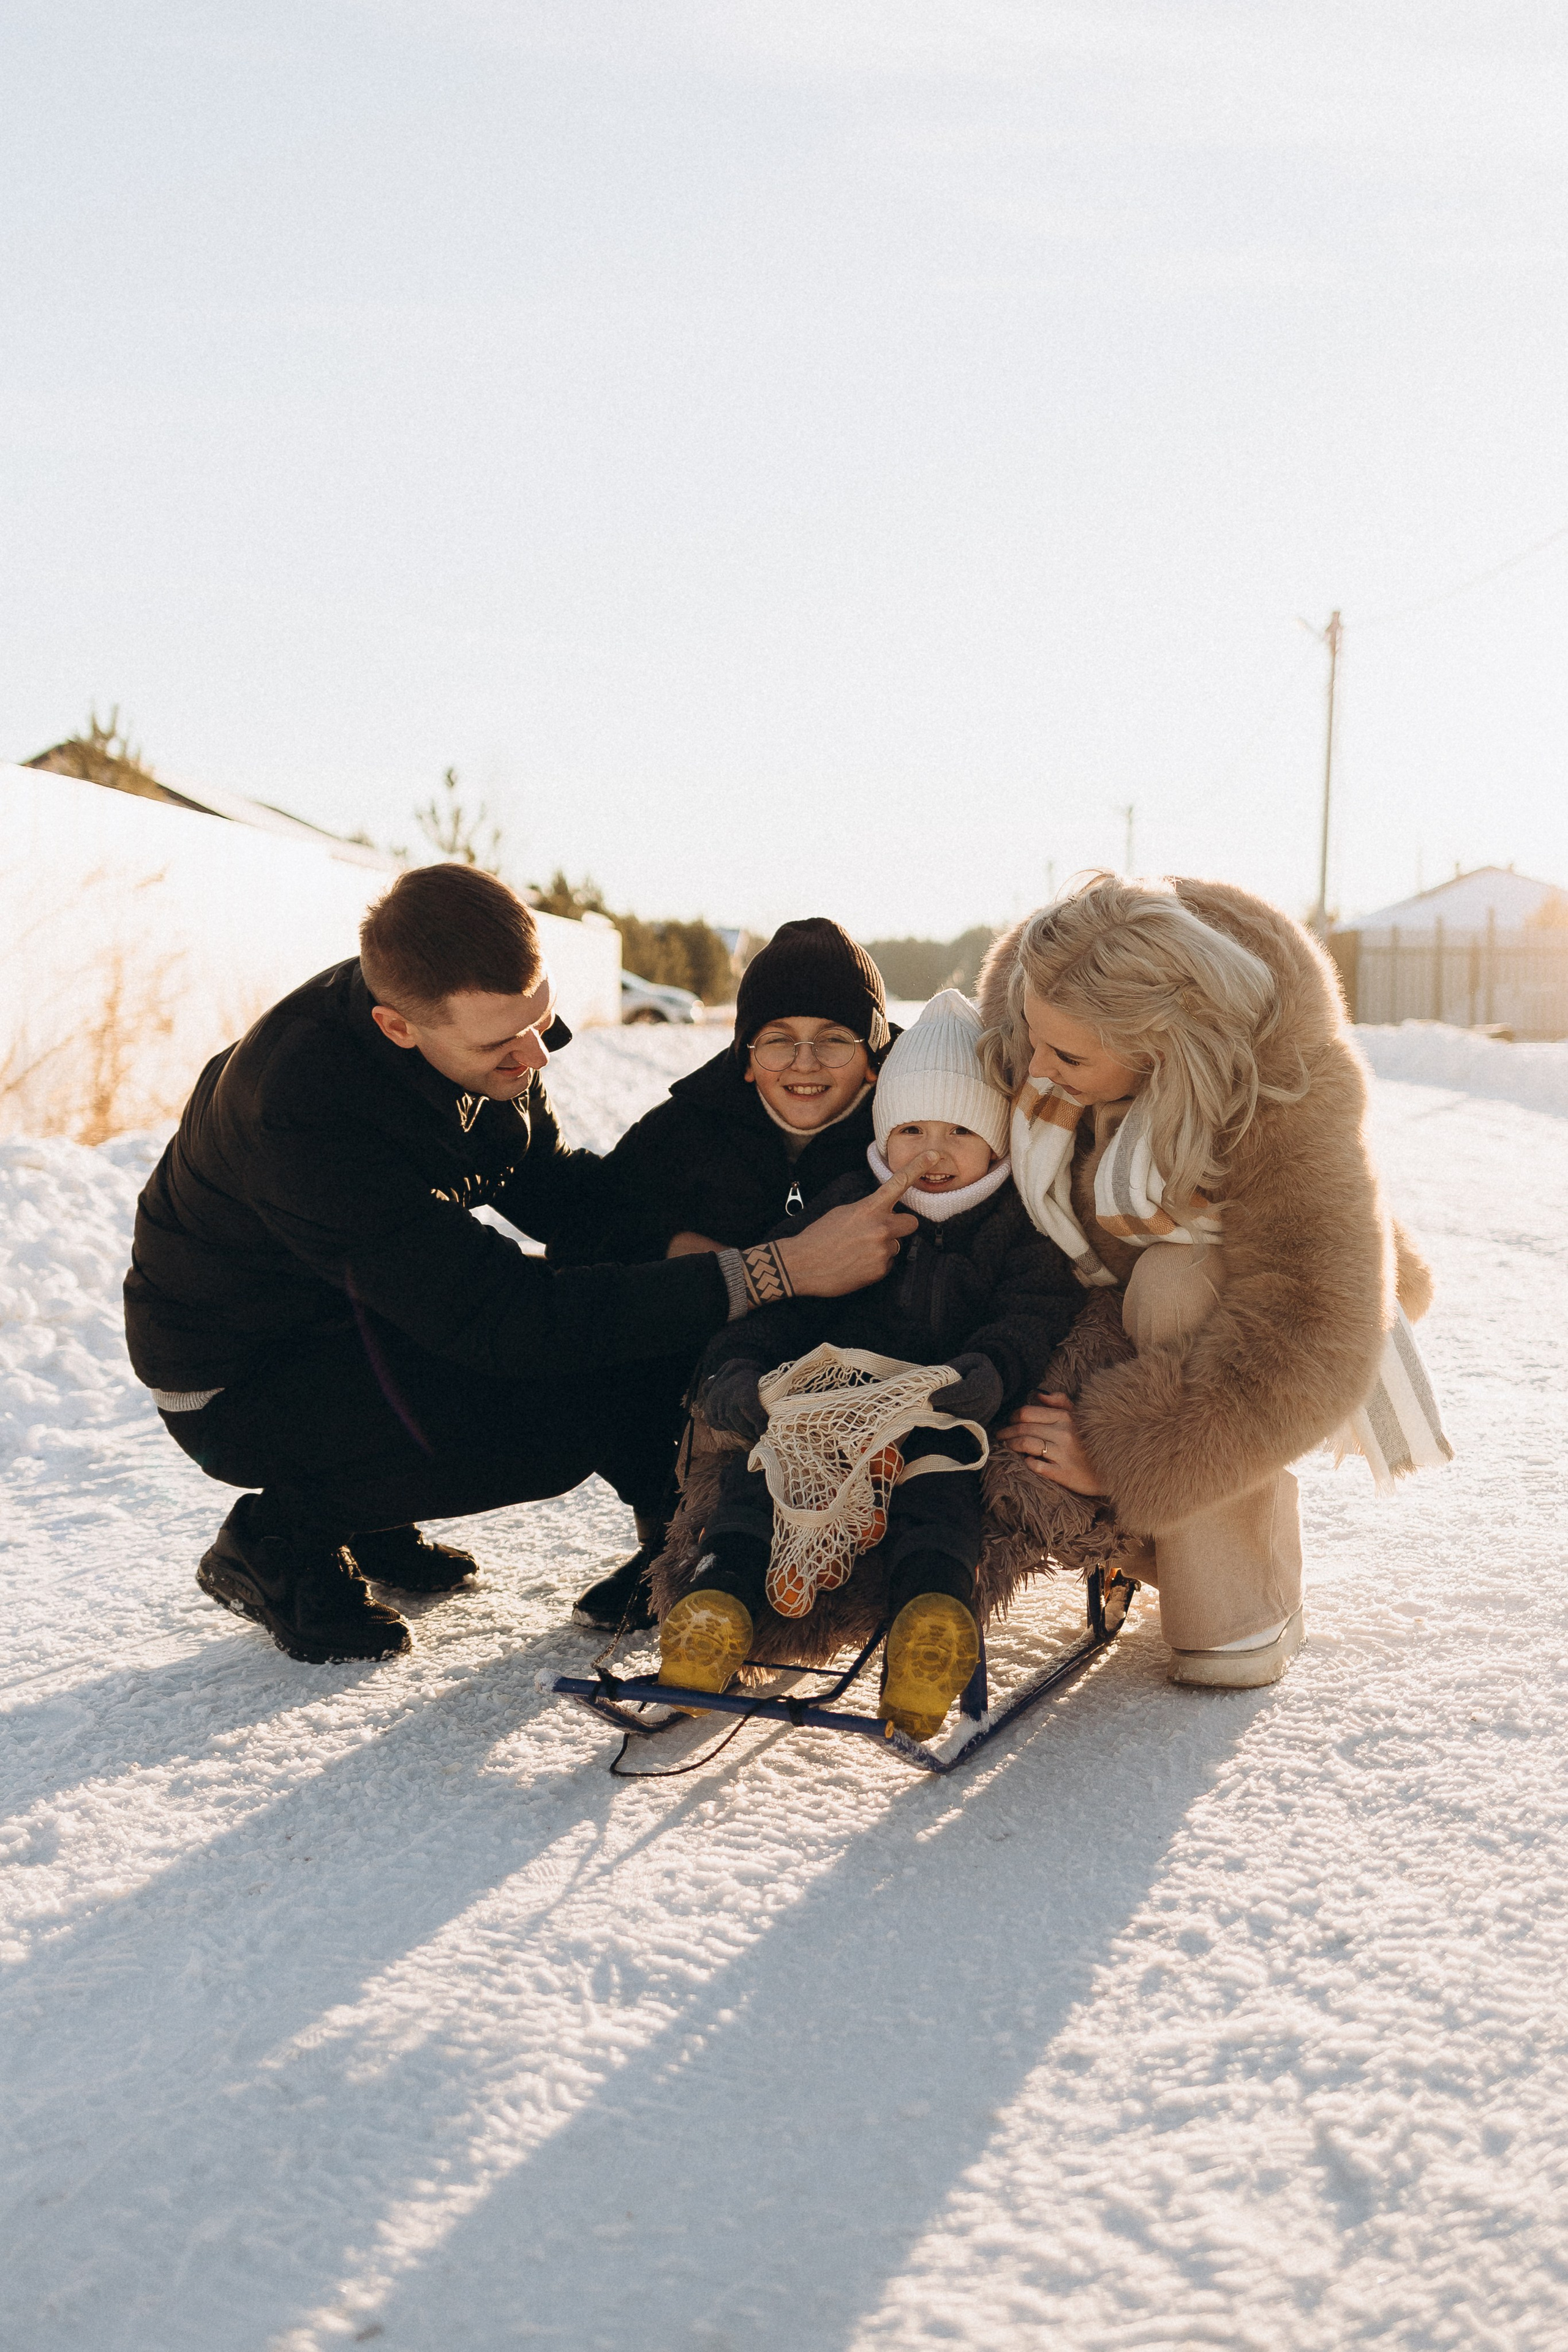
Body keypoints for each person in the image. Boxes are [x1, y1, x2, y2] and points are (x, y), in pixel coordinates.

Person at [124, 864, 921, 1665]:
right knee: (549, 1425)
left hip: (356, 1309)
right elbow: (507, 1323)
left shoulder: (479, 1031)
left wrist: (679, 1237)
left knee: (642, 1298)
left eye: (541, 1020)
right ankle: (280, 1537)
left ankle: (674, 1540)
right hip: (241, 1379)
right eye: (504, 1044)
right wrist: (775, 1270)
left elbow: (557, 1191)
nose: (535, 1057)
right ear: (401, 1030)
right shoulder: (306, 1113)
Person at [979, 873, 1439, 1689]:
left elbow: (1311, 1327)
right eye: (1032, 1038)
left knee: (1172, 1289)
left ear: (1160, 1046)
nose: (1037, 1072)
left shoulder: (1288, 1083)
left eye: (1069, 1056)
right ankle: (1124, 1535)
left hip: (1286, 1292)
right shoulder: (1046, 995)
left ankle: (1246, 1593)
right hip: (1102, 1269)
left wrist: (1123, 1453)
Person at [654, 990, 1083, 1739]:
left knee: (941, 1494)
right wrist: (735, 1370)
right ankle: (716, 1606)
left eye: (959, 1130)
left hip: (938, 1406)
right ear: (884, 1131)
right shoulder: (848, 1205)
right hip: (831, 1404)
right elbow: (782, 1306)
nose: (931, 1152)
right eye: (910, 1128)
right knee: (760, 1478)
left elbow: (1035, 1314)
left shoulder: (1018, 1225)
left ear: (997, 1139)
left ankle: (931, 1622)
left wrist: (987, 1370)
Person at [551, 915, 899, 1632]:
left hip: (851, 1347)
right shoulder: (689, 1128)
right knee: (607, 1329)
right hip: (713, 1353)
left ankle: (862, 1546)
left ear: (873, 1054)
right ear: (745, 1055)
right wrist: (690, 1250)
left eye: (833, 1038)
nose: (804, 1062)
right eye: (778, 1040)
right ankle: (671, 1543)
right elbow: (589, 1231)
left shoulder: (908, 1122)